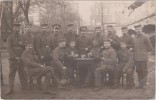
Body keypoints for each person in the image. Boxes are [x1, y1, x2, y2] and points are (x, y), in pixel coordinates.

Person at [6, 23, 28, 95]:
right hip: (13, 59)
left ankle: (24, 87)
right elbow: (9, 49)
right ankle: (11, 88)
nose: (17, 29)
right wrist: (15, 56)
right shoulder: (10, 37)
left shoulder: (23, 37)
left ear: (20, 29)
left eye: (18, 28)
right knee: (12, 73)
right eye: (15, 28)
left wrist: (22, 45)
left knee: (22, 72)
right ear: (13, 28)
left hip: (21, 58)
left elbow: (26, 47)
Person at [133, 24, 153, 89]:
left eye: (139, 29)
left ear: (141, 29)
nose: (138, 30)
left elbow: (150, 47)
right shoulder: (134, 38)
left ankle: (144, 84)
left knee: (144, 71)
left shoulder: (145, 37)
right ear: (135, 30)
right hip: (136, 58)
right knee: (138, 71)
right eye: (136, 29)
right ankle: (140, 84)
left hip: (143, 58)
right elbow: (133, 47)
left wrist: (144, 52)